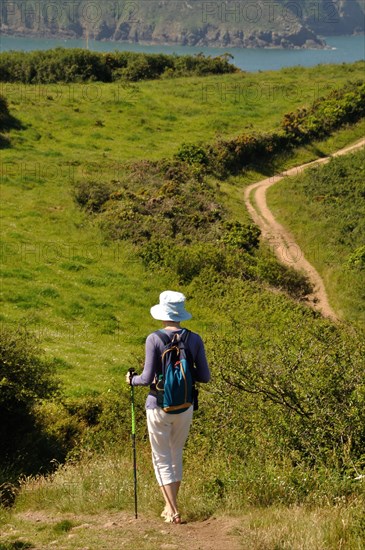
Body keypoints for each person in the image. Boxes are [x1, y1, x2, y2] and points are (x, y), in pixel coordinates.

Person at [126, 290, 210, 524]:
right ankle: (169, 506)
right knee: (175, 455)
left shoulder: (154, 339)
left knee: (161, 458)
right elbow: (205, 376)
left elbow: (145, 378)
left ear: (163, 313)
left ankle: (173, 511)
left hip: (158, 406)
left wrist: (130, 380)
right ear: (180, 313)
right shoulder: (194, 339)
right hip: (185, 406)